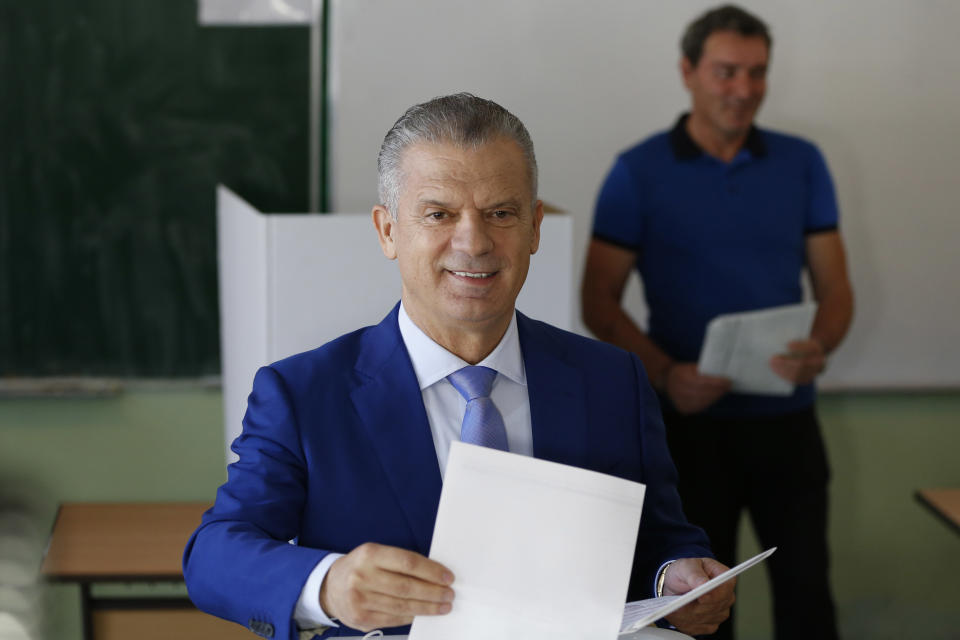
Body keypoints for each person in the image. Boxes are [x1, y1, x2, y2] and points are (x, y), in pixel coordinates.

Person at [184, 93, 734, 639]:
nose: (473, 242)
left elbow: (659, 539)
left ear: (535, 227)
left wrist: (675, 578)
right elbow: (214, 554)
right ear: (387, 231)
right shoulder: (304, 394)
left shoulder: (612, 381)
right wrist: (328, 586)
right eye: (439, 214)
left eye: (500, 213)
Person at [581, 6, 853, 640]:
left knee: (807, 590)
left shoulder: (802, 163)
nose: (744, 89)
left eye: (757, 73)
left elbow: (837, 289)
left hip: (787, 420)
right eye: (727, 71)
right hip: (685, 428)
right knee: (700, 604)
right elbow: (598, 299)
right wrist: (666, 375)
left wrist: (820, 347)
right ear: (688, 71)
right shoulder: (637, 172)